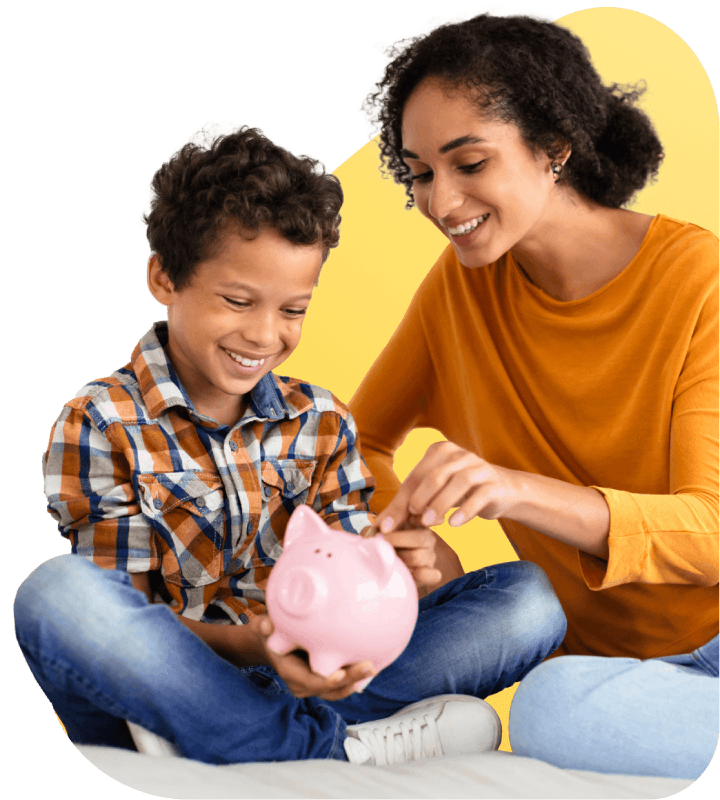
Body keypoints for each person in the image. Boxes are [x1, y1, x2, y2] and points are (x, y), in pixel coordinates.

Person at [15, 123, 566, 767]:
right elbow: (128, 616)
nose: (263, 335)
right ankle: (325, 748)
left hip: (317, 677)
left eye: (293, 310)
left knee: (529, 600)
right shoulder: (102, 420)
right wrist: (260, 648)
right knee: (57, 594)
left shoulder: (321, 420)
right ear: (163, 277)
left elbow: (357, 593)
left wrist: (407, 572)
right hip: (186, 678)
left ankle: (260, 740)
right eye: (237, 301)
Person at [349, 11, 719, 780]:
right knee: (546, 700)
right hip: (609, 678)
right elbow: (355, 442)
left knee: (546, 706)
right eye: (420, 173)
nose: (441, 202)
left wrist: (515, 491)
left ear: (555, 147)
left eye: (469, 163)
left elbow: (710, 534)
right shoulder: (461, 290)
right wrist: (403, 537)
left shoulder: (700, 283)